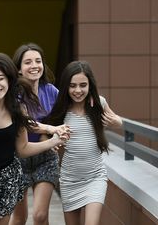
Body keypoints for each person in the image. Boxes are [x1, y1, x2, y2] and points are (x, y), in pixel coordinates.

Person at [0, 53, 68, 225]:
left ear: (9, 80)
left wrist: (53, 141)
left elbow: (23, 149)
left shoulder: (17, 108)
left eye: (0, 78)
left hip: (8, 179)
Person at [43, 60, 122, 225]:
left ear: (89, 85)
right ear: (66, 86)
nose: (78, 90)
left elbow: (118, 121)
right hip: (69, 180)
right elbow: (47, 134)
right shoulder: (61, 108)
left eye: (82, 85)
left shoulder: (99, 103)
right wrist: (53, 142)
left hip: (95, 177)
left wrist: (116, 122)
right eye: (72, 86)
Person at [10, 43, 67, 225]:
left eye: (38, 61)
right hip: (19, 158)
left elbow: (65, 113)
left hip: (46, 157)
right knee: (19, 218)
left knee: (40, 216)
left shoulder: (51, 91)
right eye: (28, 62)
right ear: (19, 69)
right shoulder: (14, 94)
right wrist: (50, 130)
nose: (34, 66)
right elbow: (27, 123)